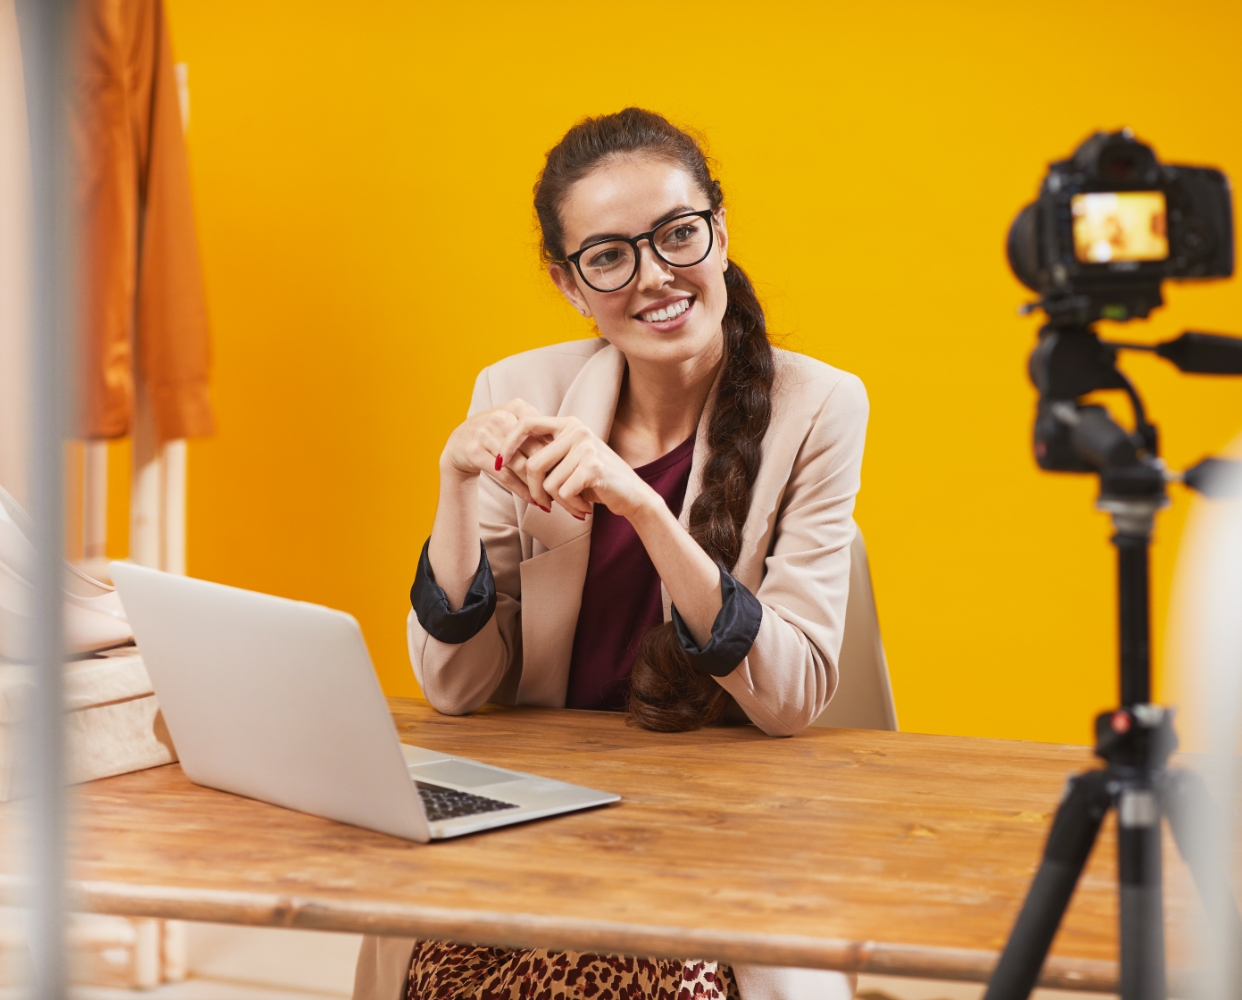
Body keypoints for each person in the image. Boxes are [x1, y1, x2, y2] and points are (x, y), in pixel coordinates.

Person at [355, 108, 868, 1000]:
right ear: (569, 282)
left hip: (716, 827)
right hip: (542, 818)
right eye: (608, 256)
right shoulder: (519, 391)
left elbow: (792, 698)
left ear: (719, 229)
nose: (655, 276)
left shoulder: (820, 406)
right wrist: (455, 484)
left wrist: (644, 509)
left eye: (678, 235)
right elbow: (456, 688)